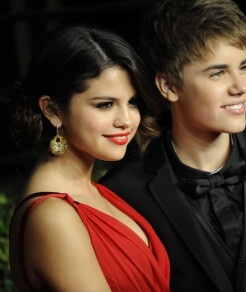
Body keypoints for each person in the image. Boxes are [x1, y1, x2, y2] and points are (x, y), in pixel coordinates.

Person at [99, 0, 246, 291]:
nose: (241, 87)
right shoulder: (121, 195)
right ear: (168, 86)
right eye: (218, 73)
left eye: (243, 67)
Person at [7, 24, 170, 291]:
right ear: (53, 110)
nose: (126, 120)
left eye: (132, 102)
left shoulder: (93, 191)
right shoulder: (52, 215)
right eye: (105, 104)